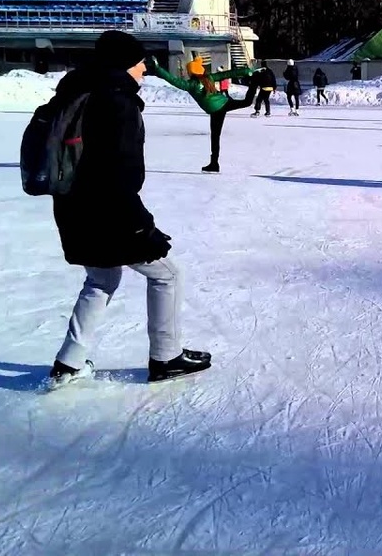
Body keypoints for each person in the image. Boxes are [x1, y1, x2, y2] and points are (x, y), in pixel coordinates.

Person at [47, 30, 211, 388]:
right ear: (124, 65)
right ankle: (166, 357)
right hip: (108, 211)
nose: (144, 69)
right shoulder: (116, 103)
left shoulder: (77, 91)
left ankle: (69, 362)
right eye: (140, 63)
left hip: (72, 206)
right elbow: (118, 175)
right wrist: (141, 227)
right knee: (166, 274)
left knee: (102, 277)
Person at [148, 54, 256, 173]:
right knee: (245, 102)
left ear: (191, 72)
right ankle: (255, 83)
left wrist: (158, 69)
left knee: (215, 137)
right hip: (224, 103)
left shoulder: (191, 85)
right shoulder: (208, 78)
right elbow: (227, 74)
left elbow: (173, 80)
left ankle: (214, 163)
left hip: (215, 110)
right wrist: (246, 70)